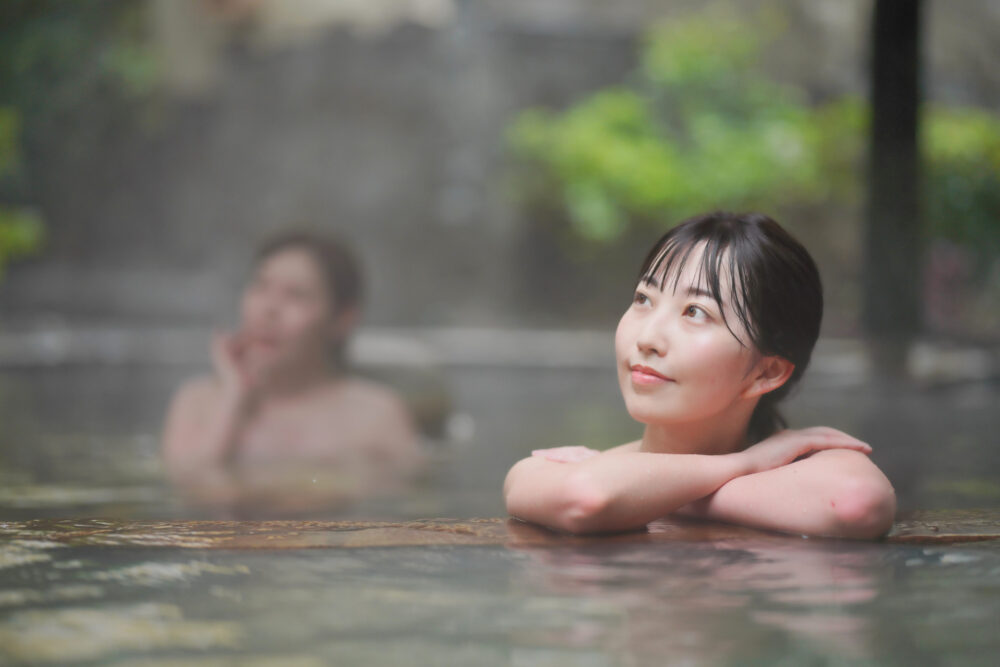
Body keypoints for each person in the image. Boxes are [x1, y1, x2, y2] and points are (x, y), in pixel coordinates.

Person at [504, 212, 896, 539]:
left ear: (767, 372)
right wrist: (745, 464)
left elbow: (857, 504)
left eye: (695, 312)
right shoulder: (560, 468)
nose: (647, 338)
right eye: (643, 299)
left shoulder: (813, 463)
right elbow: (587, 499)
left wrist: (647, 493)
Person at [162, 231, 422, 498]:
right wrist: (233, 396)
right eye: (260, 286)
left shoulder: (376, 415)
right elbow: (186, 489)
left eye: (296, 295)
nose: (269, 308)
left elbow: (409, 506)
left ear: (342, 319)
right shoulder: (198, 402)